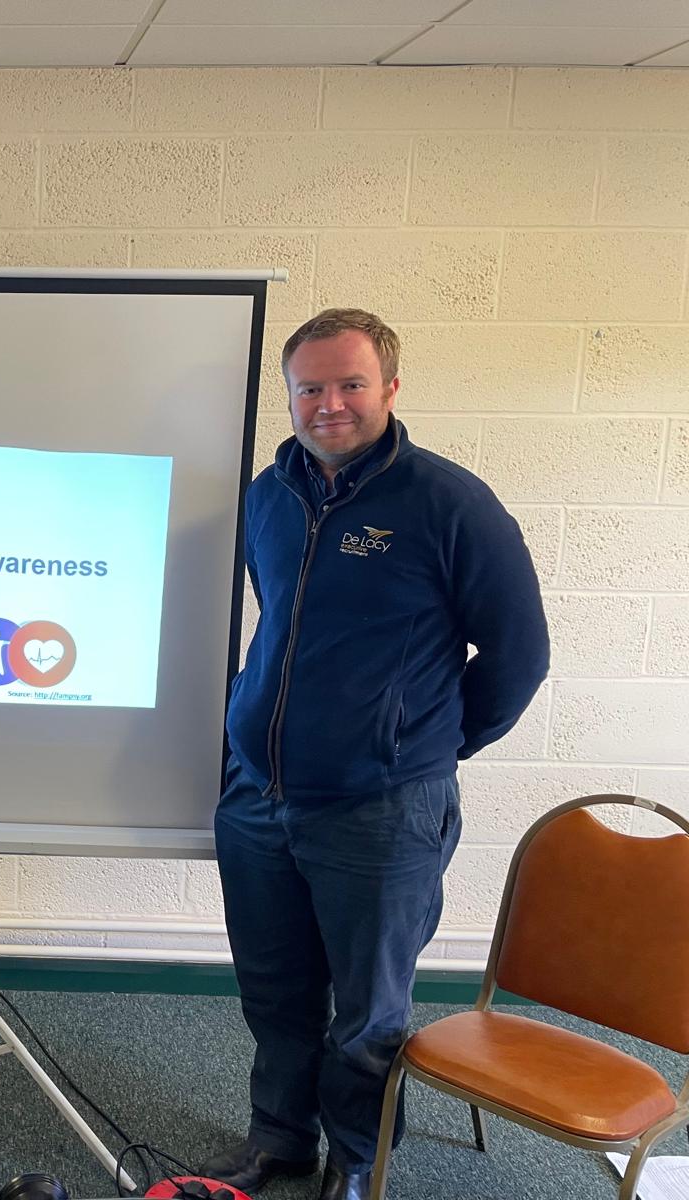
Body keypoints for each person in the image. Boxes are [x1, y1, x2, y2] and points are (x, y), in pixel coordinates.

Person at [199, 309, 549, 1200]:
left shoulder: (448, 503)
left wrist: (421, 744)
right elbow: (281, 623)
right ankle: (281, 1139)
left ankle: (356, 1161)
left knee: (366, 1014)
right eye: (309, 388)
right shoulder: (268, 496)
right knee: (274, 993)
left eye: (350, 384)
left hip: (381, 810)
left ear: (390, 387)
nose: (329, 404)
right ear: (288, 396)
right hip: (258, 799)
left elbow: (519, 655)